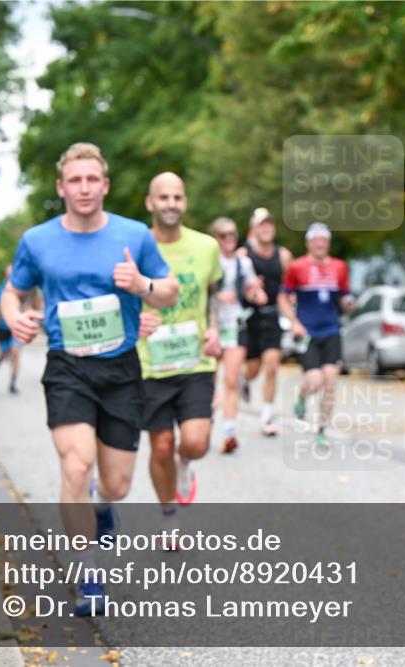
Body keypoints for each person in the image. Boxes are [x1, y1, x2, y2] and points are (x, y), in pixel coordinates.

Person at [1, 143, 177, 616]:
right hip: (67, 366)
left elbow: (169, 290)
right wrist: (14, 317)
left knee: (117, 484)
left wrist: (141, 285)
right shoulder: (37, 241)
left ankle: (103, 505)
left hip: (120, 368)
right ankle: (88, 575)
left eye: (92, 179)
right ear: (61, 187)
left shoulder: (134, 234)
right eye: (74, 180)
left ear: (105, 185)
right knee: (75, 466)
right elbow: (12, 292)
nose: (83, 188)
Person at [138, 172, 222, 517]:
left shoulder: (207, 246)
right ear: (150, 202)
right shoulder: (137, 245)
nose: (171, 204)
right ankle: (168, 513)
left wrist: (216, 328)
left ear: (184, 202)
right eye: (164, 197)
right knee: (161, 447)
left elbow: (214, 295)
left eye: (177, 197)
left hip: (195, 361)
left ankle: (185, 463)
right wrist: (134, 322)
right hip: (150, 361)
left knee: (194, 442)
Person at [278, 222, 354, 448]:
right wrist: (294, 323)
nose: (320, 243)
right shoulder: (297, 267)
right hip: (307, 333)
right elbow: (282, 297)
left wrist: (349, 302)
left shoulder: (339, 267)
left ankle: (322, 429)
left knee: (330, 382)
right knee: (315, 381)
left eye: (324, 240)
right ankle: (302, 396)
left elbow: (345, 295)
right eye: (315, 239)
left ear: (328, 243)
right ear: (308, 243)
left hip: (331, 330)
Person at [209, 217, 268, 453]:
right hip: (212, 323)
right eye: (224, 235)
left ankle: (229, 432)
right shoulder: (209, 260)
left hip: (235, 322)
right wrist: (218, 297)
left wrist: (256, 293)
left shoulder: (243, 263)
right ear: (215, 238)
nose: (230, 240)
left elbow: (253, 290)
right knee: (208, 382)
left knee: (231, 380)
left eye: (233, 235)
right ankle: (204, 424)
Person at [237, 207, 293, 436]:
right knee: (253, 369)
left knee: (272, 366)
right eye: (262, 224)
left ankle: (267, 418)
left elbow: (288, 288)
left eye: (270, 223)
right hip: (249, 318)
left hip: (271, 316)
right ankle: (244, 380)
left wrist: (293, 309)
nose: (267, 228)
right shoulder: (243, 255)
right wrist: (248, 289)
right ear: (254, 229)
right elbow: (232, 285)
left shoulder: (283, 255)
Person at [0, 265, 23, 395]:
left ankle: (13, 383)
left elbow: (28, 303)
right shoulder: (0, 289)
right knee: (5, 352)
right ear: (5, 275)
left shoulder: (22, 287)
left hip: (17, 326)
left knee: (15, 352)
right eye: (9, 274)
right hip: (3, 326)